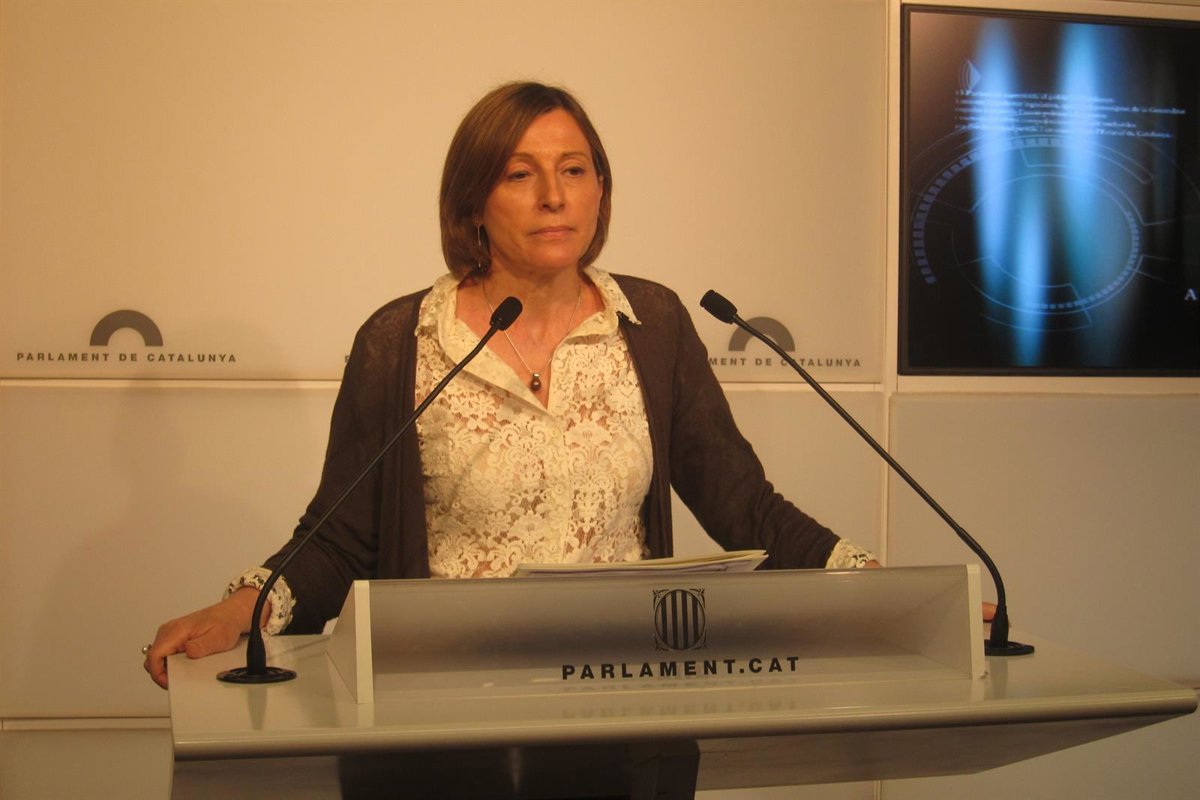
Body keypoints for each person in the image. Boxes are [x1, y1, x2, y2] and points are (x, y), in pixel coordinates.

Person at [144, 81, 878, 689]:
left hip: (623, 699)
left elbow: (742, 503)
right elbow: (340, 538)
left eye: (575, 170)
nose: (553, 196)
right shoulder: (403, 341)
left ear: (600, 191)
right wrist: (243, 609)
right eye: (520, 175)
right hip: (445, 703)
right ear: (473, 202)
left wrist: (868, 584)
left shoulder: (652, 324)